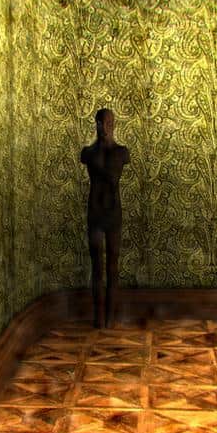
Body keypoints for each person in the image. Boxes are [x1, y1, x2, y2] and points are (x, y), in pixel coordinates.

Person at [80, 108, 130, 328]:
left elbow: (112, 176)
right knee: (97, 268)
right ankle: (99, 318)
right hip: (95, 212)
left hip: (113, 213)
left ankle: (110, 317)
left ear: (114, 125)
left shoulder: (121, 152)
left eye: (109, 123)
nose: (105, 127)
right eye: (101, 123)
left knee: (112, 266)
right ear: (96, 124)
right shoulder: (88, 152)